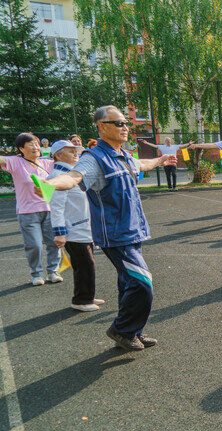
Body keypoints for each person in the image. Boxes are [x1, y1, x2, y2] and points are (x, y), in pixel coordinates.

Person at [45, 105, 177, 351]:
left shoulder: (123, 155)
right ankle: (121, 330)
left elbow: (142, 165)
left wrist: (161, 159)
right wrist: (49, 184)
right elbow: (74, 177)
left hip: (133, 231)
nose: (125, 127)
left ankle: (132, 331)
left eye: (126, 123)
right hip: (116, 236)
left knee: (128, 283)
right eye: (118, 123)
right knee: (142, 283)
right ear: (102, 127)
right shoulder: (93, 158)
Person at [47, 140, 105, 312]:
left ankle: (87, 295)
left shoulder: (72, 174)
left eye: (76, 151)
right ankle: (81, 300)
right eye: (70, 151)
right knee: (85, 265)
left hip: (82, 228)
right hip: (72, 230)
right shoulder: (57, 176)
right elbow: (56, 207)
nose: (75, 153)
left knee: (87, 264)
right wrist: (59, 233)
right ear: (58, 155)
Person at [0, 133, 62, 285]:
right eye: (31, 144)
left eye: (36, 144)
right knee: (34, 245)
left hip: (49, 210)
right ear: (21, 148)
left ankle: (53, 271)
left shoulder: (46, 163)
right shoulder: (16, 162)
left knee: (54, 242)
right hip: (27, 212)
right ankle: (36, 274)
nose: (36, 147)